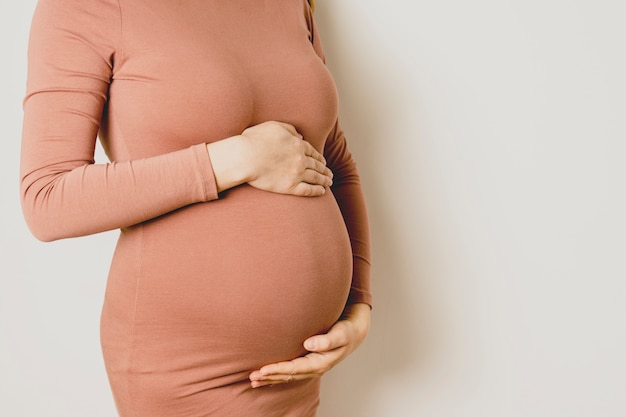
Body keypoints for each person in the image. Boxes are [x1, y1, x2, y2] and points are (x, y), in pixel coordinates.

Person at [20, 0, 372, 415]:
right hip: (185, 371)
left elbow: (333, 161)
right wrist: (234, 160)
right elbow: (48, 197)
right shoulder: (86, 6)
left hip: (301, 366)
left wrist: (358, 304)